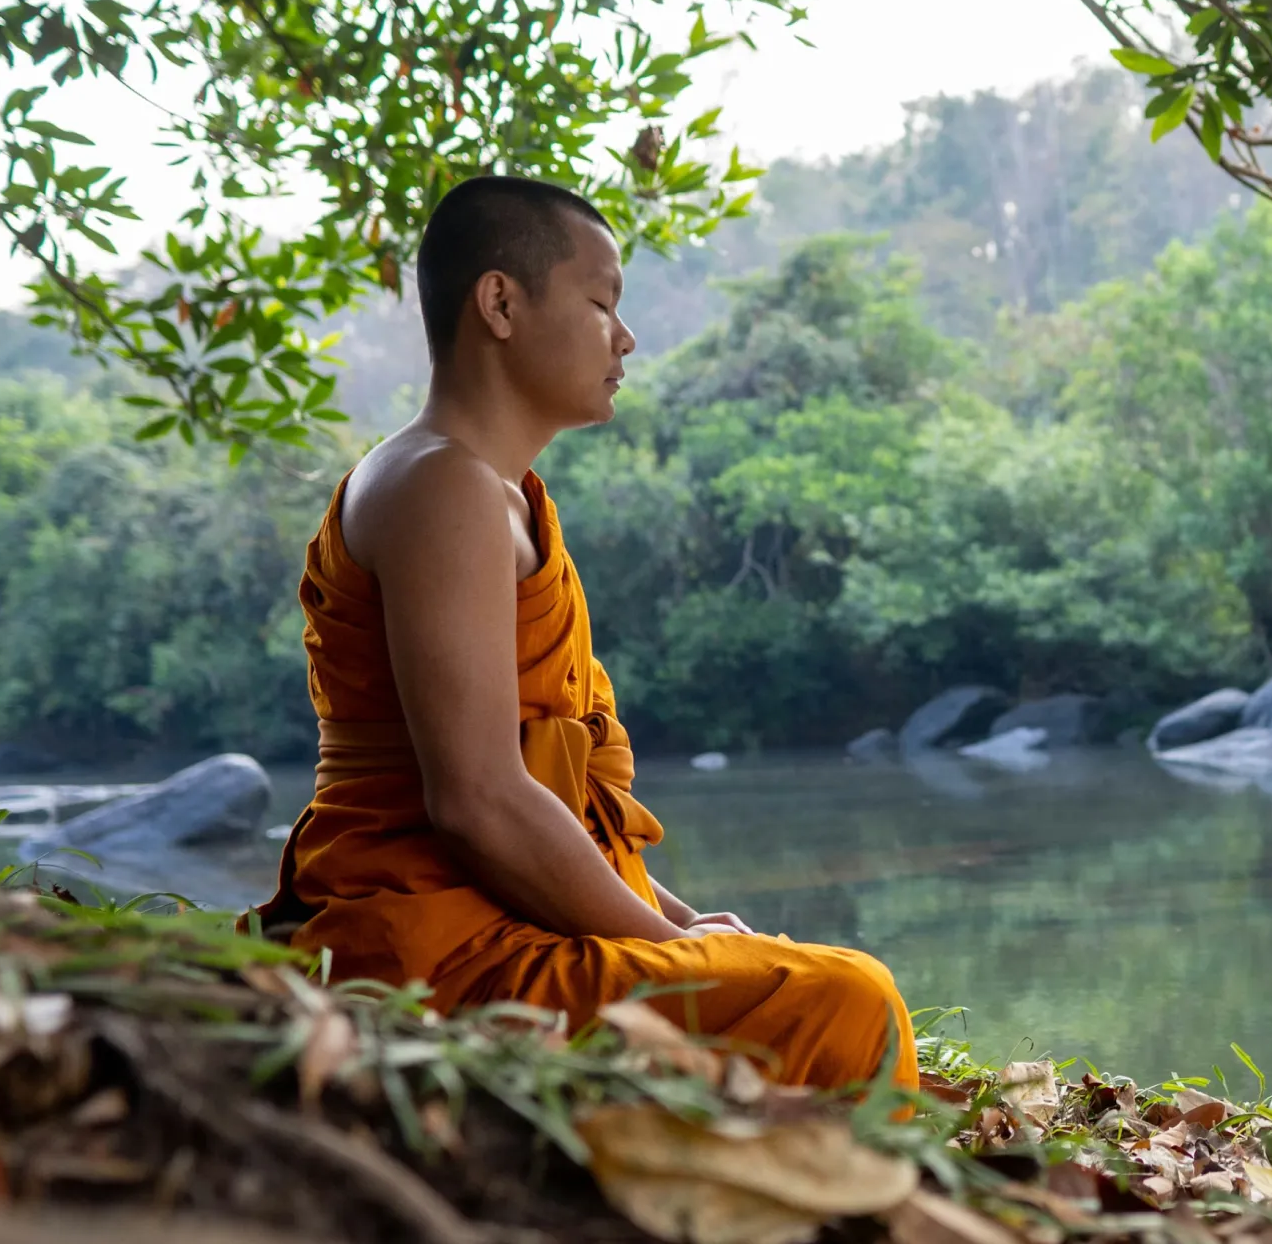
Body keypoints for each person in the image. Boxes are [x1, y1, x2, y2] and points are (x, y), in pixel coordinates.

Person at [250, 175, 914, 1091]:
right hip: (437, 950)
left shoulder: (496, 494)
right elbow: (479, 800)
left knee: (807, 978)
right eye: (602, 303)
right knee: (849, 1000)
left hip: (507, 919)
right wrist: (672, 948)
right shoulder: (440, 487)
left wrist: (683, 923)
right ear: (500, 304)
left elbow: (561, 801)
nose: (625, 336)